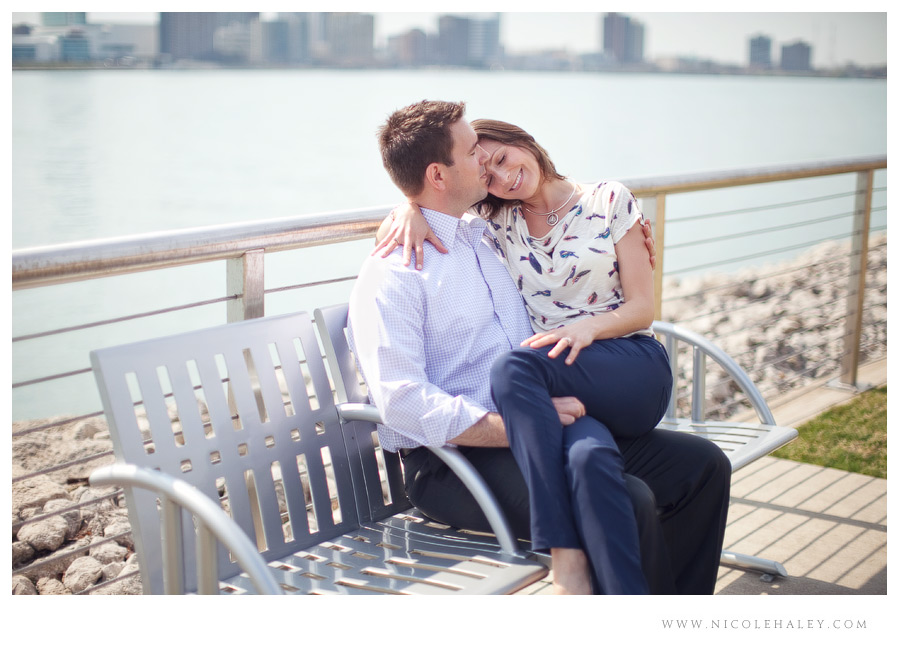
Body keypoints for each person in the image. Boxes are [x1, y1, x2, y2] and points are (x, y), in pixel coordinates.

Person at [349, 100, 731, 594]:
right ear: (439, 175)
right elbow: (400, 402)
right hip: (453, 462)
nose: (485, 165)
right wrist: (516, 428)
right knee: (625, 498)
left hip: (544, 417)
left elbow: (566, 232)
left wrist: (408, 207)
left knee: (701, 467)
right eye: (472, 154)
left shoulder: (485, 233)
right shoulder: (395, 274)